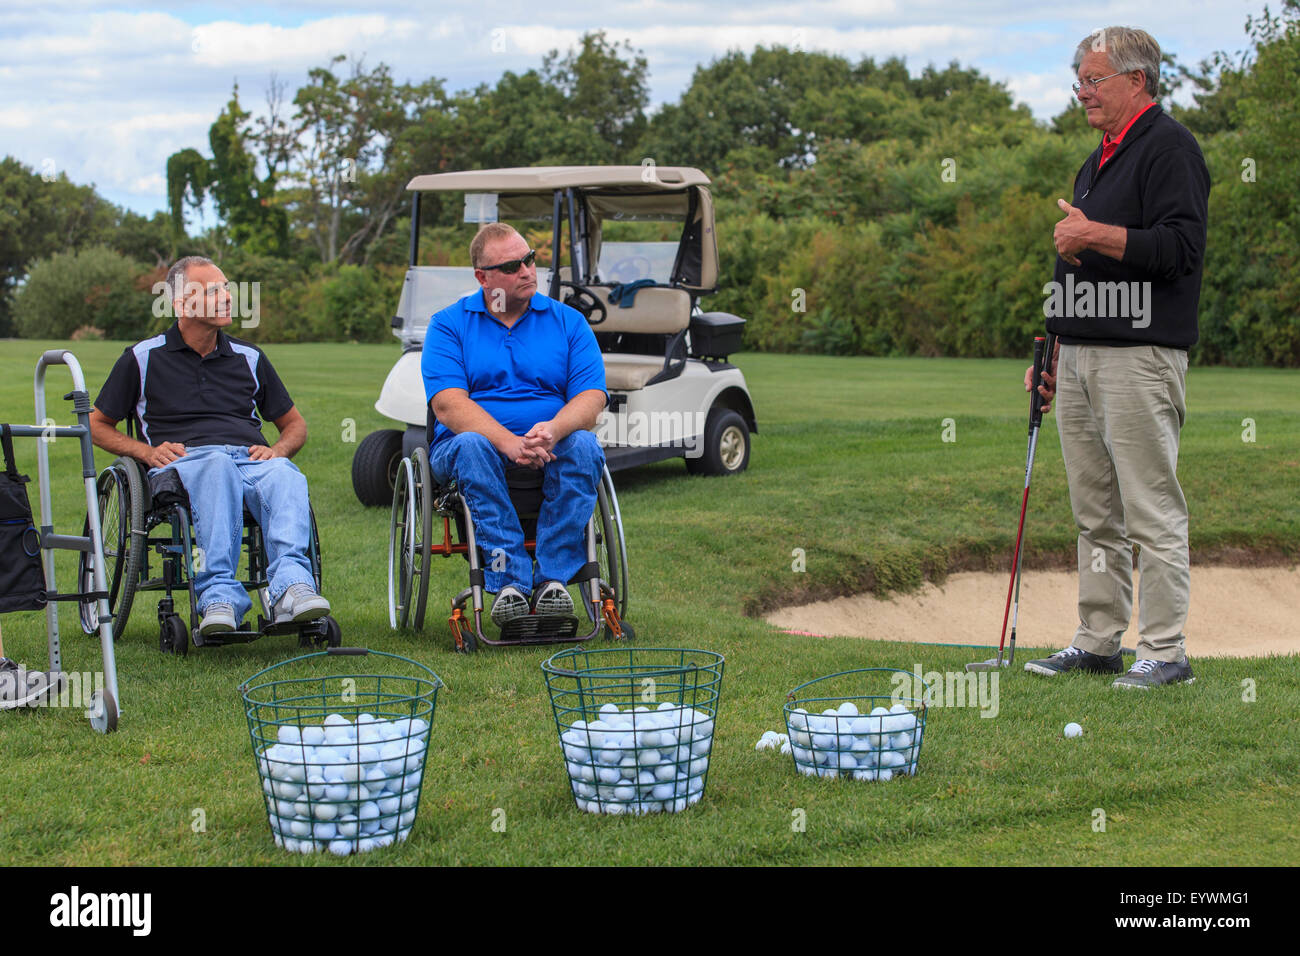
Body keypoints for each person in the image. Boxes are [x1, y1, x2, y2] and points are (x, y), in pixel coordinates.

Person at [1024, 27, 1209, 688]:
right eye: (1080, 79)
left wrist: (1092, 232)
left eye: (1094, 79)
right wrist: (1047, 352)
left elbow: (1179, 250)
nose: (1083, 91)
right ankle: (1098, 640)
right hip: (1079, 356)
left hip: (1140, 356)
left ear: (1137, 80)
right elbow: (1070, 262)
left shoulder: (1171, 149)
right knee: (1094, 513)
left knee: (1150, 509)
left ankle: (1164, 651)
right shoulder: (1097, 158)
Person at [89, 256, 329, 637]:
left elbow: (294, 425)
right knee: (216, 465)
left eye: (226, 288)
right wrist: (146, 453)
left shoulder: (249, 357)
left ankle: (291, 587)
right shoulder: (142, 358)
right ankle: (217, 595)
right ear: (181, 305)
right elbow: (97, 425)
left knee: (284, 473)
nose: (226, 297)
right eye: (211, 291)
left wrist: (279, 450)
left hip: (251, 460)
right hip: (189, 461)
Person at [422, 223, 607, 629]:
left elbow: (592, 398)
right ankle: (509, 581)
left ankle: (552, 580)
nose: (526, 271)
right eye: (511, 265)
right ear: (482, 277)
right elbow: (449, 406)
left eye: (529, 259)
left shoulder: (567, 322)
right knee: (472, 444)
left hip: (549, 444)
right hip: (470, 450)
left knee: (586, 448)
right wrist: (508, 442)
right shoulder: (449, 325)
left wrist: (555, 429)